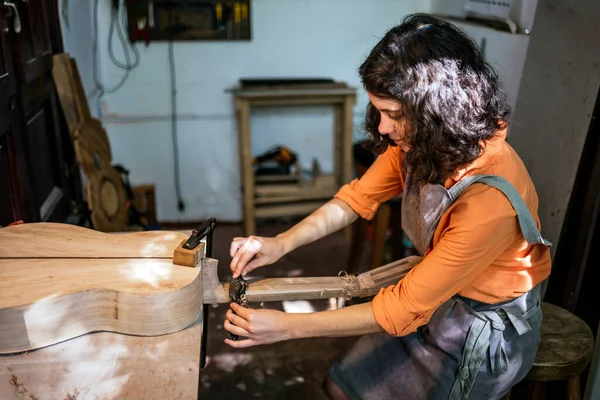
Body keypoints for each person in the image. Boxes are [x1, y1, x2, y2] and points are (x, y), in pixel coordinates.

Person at [223, 13, 552, 400]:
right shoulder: (423, 144)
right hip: (433, 302)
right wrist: (280, 243)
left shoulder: (491, 201)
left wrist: (288, 326)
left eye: (393, 115)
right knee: (339, 386)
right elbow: (356, 199)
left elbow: (400, 310)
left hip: (478, 334)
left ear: (437, 113)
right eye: (379, 111)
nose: (381, 127)